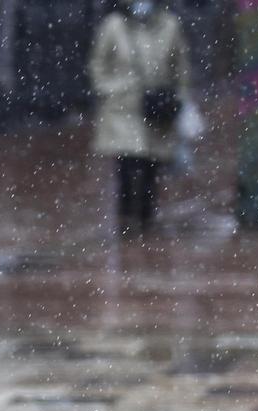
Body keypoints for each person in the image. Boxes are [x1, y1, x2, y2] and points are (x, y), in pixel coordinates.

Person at [89, 0, 191, 237]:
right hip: (122, 109)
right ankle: (126, 219)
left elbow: (180, 67)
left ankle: (146, 217)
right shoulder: (114, 25)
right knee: (126, 164)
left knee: (151, 166)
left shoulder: (169, 25)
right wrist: (111, 88)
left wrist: (178, 98)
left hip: (156, 109)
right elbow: (98, 64)